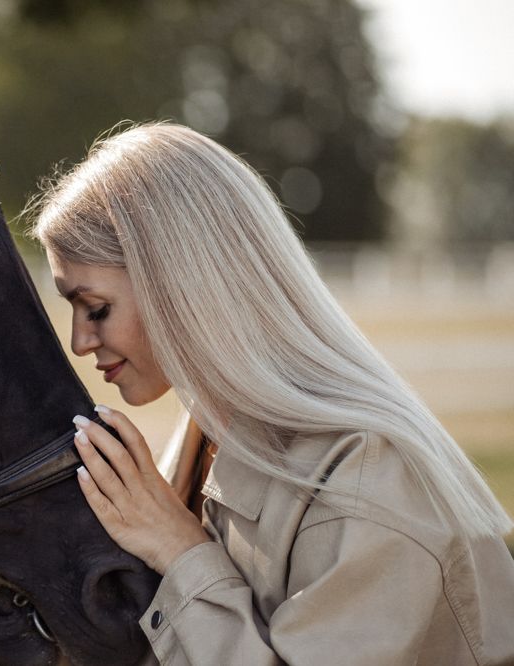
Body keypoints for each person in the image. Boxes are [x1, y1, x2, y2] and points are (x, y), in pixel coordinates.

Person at [28, 122, 514, 665]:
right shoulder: (208, 433)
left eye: (95, 308)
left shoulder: (367, 479)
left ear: (181, 282)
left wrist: (181, 551)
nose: (79, 341)